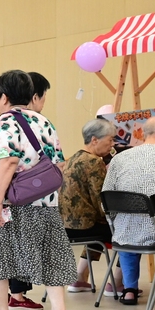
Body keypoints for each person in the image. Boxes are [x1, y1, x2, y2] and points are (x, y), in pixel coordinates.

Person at [0, 70, 76, 310]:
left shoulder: (6, 122)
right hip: (47, 204)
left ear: (4, 96)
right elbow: (59, 164)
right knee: (51, 257)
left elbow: (8, 162)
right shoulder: (44, 122)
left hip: (13, 204)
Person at [102, 115, 155, 306]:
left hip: (126, 233)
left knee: (126, 229)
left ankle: (129, 290)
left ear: (142, 133)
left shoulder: (120, 158)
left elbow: (106, 200)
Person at [60, 118, 118, 293]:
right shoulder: (94, 162)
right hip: (85, 228)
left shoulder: (71, 159)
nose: (112, 145)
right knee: (129, 234)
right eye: (110, 140)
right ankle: (119, 283)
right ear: (95, 140)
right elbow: (101, 201)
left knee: (99, 228)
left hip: (65, 227)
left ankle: (80, 277)